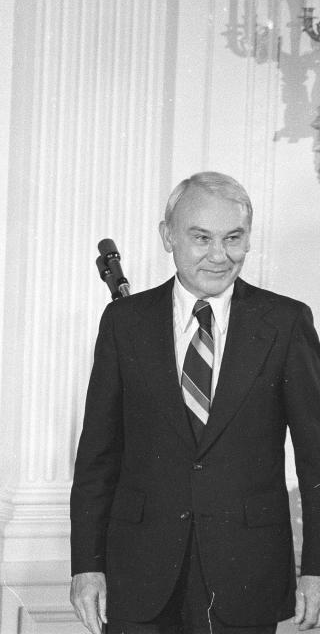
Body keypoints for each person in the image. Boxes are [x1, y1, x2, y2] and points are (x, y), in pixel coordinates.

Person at [70, 172, 320, 634]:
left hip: (246, 575)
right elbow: (97, 457)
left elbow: (316, 460)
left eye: (233, 238)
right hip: (138, 575)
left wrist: (317, 571)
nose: (219, 255)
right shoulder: (124, 322)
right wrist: (86, 566)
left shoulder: (286, 322)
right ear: (168, 236)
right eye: (201, 238)